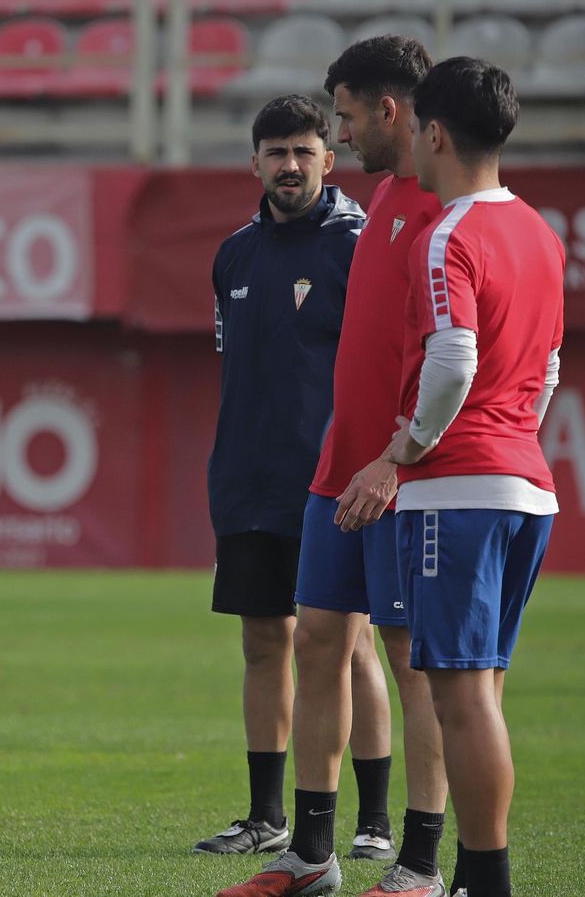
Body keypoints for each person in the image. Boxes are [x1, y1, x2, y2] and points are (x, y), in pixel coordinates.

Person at [216, 36, 454, 897]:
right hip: (298, 477)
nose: (330, 141)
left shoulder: (407, 217)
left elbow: (450, 352)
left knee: (391, 654)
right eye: (276, 151)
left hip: (383, 474)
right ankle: (297, 845)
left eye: (336, 126)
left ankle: (403, 848)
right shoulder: (248, 249)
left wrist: (397, 453)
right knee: (299, 642)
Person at [384, 57, 565, 897]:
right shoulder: (539, 232)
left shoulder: (448, 232)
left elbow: (452, 358)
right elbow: (551, 367)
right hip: (525, 484)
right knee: (479, 693)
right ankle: (477, 875)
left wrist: (409, 446)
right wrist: (512, 434)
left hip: (457, 489)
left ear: (436, 133)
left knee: (459, 698)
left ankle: (484, 880)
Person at [197, 94, 393, 859]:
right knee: (261, 644)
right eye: (275, 151)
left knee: (352, 648)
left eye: (303, 150)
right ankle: (265, 817)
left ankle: (374, 821)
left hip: (335, 482)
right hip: (248, 479)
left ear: (328, 158)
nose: (289, 164)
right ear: (254, 161)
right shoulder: (233, 254)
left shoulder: (358, 243)